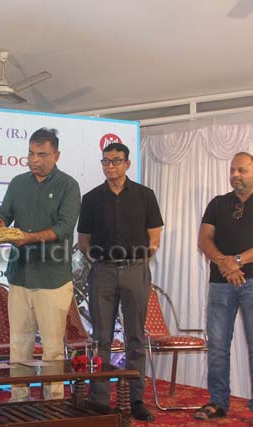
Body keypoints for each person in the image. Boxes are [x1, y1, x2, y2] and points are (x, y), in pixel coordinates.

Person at [195, 153, 253, 427]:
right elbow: (204, 240)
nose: (235, 175)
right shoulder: (217, 203)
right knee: (218, 345)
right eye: (232, 170)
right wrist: (225, 264)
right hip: (220, 282)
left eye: (242, 170)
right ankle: (218, 401)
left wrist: (237, 260)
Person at [0, 127, 81, 401]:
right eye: (31, 153)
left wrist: (29, 238)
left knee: (52, 348)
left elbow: (64, 228)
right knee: (19, 344)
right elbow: (4, 217)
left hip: (52, 278)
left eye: (42, 154)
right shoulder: (18, 183)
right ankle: (19, 398)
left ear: (56, 155)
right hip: (19, 275)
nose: (34, 160)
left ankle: (54, 402)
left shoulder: (68, 185)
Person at [77, 142, 163, 421]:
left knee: (135, 337)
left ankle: (135, 400)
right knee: (101, 338)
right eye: (105, 161)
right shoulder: (91, 198)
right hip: (102, 272)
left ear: (127, 164)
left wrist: (137, 261)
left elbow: (154, 236)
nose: (110, 166)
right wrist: (101, 262)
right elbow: (84, 241)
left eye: (115, 161)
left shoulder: (145, 195)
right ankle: (100, 401)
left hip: (135, 270)